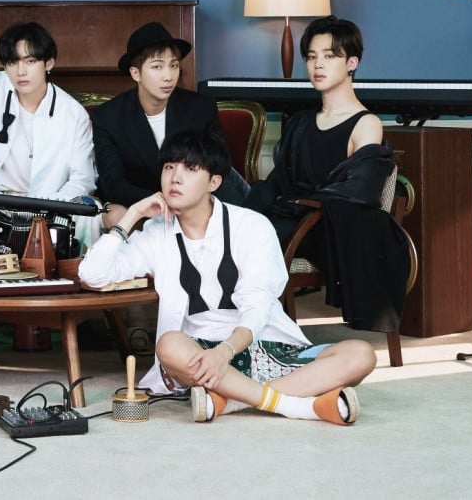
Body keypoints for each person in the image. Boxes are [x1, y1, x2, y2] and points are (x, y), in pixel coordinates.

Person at [79, 130, 376, 425]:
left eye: (190, 169)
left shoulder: (252, 226)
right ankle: (294, 405)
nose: (175, 178)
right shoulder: (156, 233)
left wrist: (227, 350)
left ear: (214, 182)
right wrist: (133, 214)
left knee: (361, 354)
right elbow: (92, 275)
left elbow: (257, 304)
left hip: (262, 344)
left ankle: (229, 401)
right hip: (199, 352)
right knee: (169, 345)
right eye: (169, 167)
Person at [244, 16, 410, 332]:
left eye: (330, 56)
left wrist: (295, 203)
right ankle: (234, 324)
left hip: (327, 228)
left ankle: (247, 327)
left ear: (352, 63)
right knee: (238, 218)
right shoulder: (301, 122)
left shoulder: (366, 123)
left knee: (249, 237)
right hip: (292, 218)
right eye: (311, 57)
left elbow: (360, 191)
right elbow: (279, 181)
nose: (318, 64)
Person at [0, 21, 97, 235]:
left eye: (30, 61)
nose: (21, 71)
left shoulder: (73, 113)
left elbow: (83, 179)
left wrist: (51, 205)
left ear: (49, 63)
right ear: (5, 66)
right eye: (13, 62)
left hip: (48, 206)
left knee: (89, 210)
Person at [91, 21, 249, 229]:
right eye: (157, 67)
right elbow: (114, 184)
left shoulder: (200, 107)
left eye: (173, 65)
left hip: (196, 199)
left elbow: (218, 163)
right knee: (115, 213)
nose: (168, 76)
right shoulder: (108, 117)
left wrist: (186, 199)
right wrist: (163, 201)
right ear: (136, 73)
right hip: (144, 202)